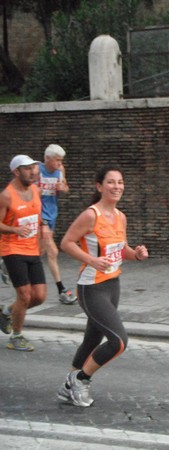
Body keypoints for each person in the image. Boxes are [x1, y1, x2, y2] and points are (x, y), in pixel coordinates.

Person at [56, 166, 148, 407]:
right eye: (111, 182)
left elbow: (121, 250)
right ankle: (81, 379)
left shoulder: (120, 216)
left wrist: (136, 254)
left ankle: (68, 387)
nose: (116, 186)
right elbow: (66, 243)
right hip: (91, 287)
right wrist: (91, 260)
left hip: (112, 285)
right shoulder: (91, 215)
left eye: (120, 182)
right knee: (118, 341)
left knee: (91, 340)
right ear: (99, 186)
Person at [0, 155, 47, 352]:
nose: (33, 172)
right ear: (16, 172)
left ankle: (7, 311)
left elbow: (36, 214)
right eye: (27, 169)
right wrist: (14, 230)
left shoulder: (36, 190)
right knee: (25, 296)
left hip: (32, 249)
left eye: (33, 168)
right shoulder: (7, 195)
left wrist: (44, 227)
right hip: (12, 249)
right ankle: (16, 336)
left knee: (40, 296)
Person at [38, 144, 77, 305]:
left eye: (61, 161)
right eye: (57, 160)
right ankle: (62, 290)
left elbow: (66, 187)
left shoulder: (60, 170)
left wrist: (64, 188)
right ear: (47, 159)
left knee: (39, 251)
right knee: (53, 251)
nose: (60, 164)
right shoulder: (36, 170)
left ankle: (9, 262)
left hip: (52, 213)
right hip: (39, 214)